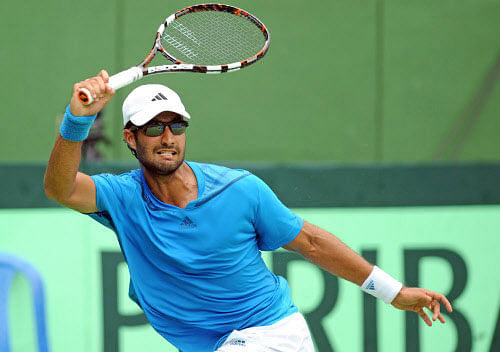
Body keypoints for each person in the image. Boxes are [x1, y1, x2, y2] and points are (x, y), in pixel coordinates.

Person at [44, 70, 452, 352]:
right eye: (153, 128)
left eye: (177, 126)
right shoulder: (123, 197)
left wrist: (393, 292)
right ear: (131, 139)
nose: (167, 137)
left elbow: (310, 241)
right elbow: (60, 188)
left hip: (269, 335)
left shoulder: (240, 191)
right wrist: (77, 120)